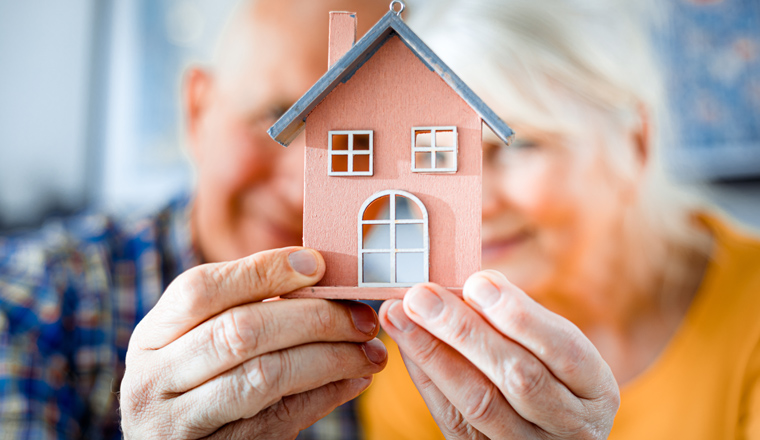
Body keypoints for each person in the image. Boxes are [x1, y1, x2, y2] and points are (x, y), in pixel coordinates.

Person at [356, 0, 760, 439]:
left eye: (519, 146)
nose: (472, 202)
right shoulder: (425, 358)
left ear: (635, 144)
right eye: (437, 156)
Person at [0, 1, 390, 438]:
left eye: (361, 146)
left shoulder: (395, 329)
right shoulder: (33, 300)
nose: (303, 193)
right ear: (198, 108)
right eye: (277, 116)